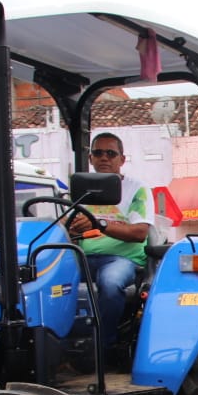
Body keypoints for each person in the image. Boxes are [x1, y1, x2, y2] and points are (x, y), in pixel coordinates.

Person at [66, 132, 155, 348]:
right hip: (83, 257)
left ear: (122, 159)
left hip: (122, 259)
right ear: (90, 159)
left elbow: (139, 233)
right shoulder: (80, 191)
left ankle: (104, 347)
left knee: (110, 282)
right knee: (51, 281)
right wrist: (68, 229)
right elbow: (68, 228)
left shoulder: (137, 189)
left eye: (111, 153)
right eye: (98, 153)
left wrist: (99, 224)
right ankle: (60, 345)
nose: (104, 158)